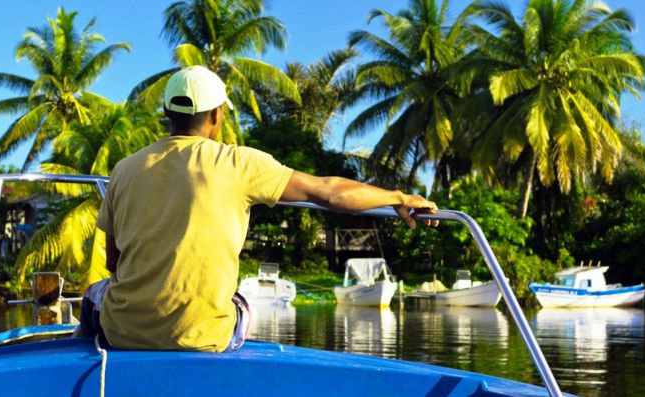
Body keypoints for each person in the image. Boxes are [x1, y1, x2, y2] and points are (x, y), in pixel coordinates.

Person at [76, 65, 438, 352]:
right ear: (217, 116)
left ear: (167, 111)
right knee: (241, 304)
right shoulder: (239, 163)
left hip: (124, 334)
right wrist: (399, 198)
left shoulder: (123, 170)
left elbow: (114, 264)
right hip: (206, 336)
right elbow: (327, 192)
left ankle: (75, 356)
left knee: (95, 293)